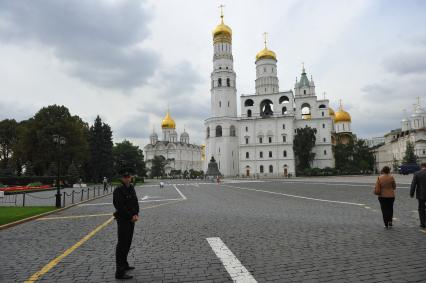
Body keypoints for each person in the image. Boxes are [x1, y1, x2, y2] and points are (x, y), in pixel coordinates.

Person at [113, 172, 140, 280]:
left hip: (132, 219)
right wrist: (130, 216)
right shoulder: (118, 190)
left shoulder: (131, 187)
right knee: (122, 244)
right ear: (122, 178)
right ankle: (119, 272)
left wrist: (136, 214)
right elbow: (119, 206)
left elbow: (135, 202)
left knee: (128, 242)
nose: (128, 178)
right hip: (124, 219)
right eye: (125, 177)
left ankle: (125, 264)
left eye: (129, 176)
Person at [410, 162, 426, 229]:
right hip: (421, 194)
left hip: (421, 194)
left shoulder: (417, 173)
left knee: (421, 208)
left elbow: (413, 185)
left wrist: (412, 193)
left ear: (421, 166)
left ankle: (422, 223)